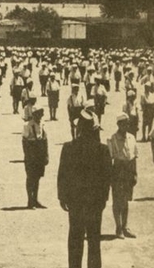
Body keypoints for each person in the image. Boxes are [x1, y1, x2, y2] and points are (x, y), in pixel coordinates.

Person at [58, 111, 112, 268]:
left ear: (80, 128)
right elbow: (106, 178)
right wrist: (103, 200)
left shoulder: (69, 147)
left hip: (75, 202)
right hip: (95, 203)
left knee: (75, 238)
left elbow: (63, 174)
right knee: (94, 240)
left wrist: (63, 197)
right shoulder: (102, 150)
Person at [107, 113, 138, 239]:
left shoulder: (131, 137)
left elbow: (134, 156)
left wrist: (135, 173)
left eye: (127, 123)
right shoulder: (113, 139)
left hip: (129, 170)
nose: (126, 125)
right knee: (117, 201)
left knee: (125, 200)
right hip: (118, 171)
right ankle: (118, 227)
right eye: (124, 123)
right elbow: (110, 159)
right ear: (118, 125)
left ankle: (125, 226)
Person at [22, 107, 49, 209]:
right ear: (33, 115)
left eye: (41, 114)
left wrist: (46, 155)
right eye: (38, 114)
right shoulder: (27, 125)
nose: (40, 116)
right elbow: (24, 141)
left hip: (40, 153)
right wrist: (28, 156)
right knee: (30, 178)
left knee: (37, 177)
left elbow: (45, 139)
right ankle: (30, 200)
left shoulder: (42, 123)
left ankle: (35, 199)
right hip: (31, 153)